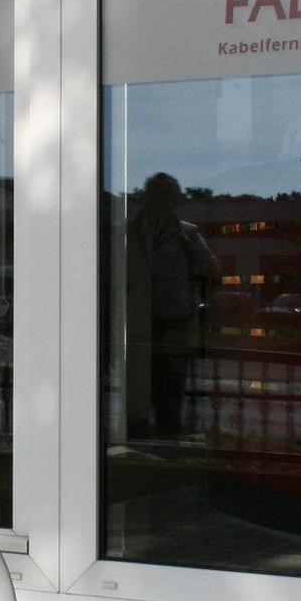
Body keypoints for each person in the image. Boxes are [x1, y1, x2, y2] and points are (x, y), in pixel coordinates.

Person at [126, 173, 218, 437]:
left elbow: (210, 267)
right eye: (158, 194)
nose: (162, 201)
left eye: (167, 195)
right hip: (139, 321)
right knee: (140, 385)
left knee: (172, 384)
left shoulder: (186, 233)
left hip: (174, 318)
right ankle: (139, 435)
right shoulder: (130, 232)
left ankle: (167, 434)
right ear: (147, 197)